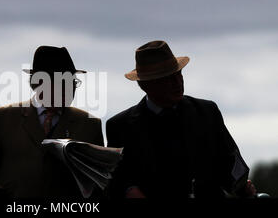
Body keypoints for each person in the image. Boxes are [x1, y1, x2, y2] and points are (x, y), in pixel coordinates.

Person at [107, 40, 256, 198]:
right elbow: (115, 180)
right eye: (167, 79)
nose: (178, 82)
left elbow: (230, 163)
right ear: (145, 85)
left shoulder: (207, 112)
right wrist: (129, 190)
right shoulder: (120, 127)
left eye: (179, 74)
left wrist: (241, 186)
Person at [0, 46, 104, 198]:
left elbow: (99, 182)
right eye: (62, 82)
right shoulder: (4, 118)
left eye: (72, 82)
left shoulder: (89, 124)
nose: (70, 88)